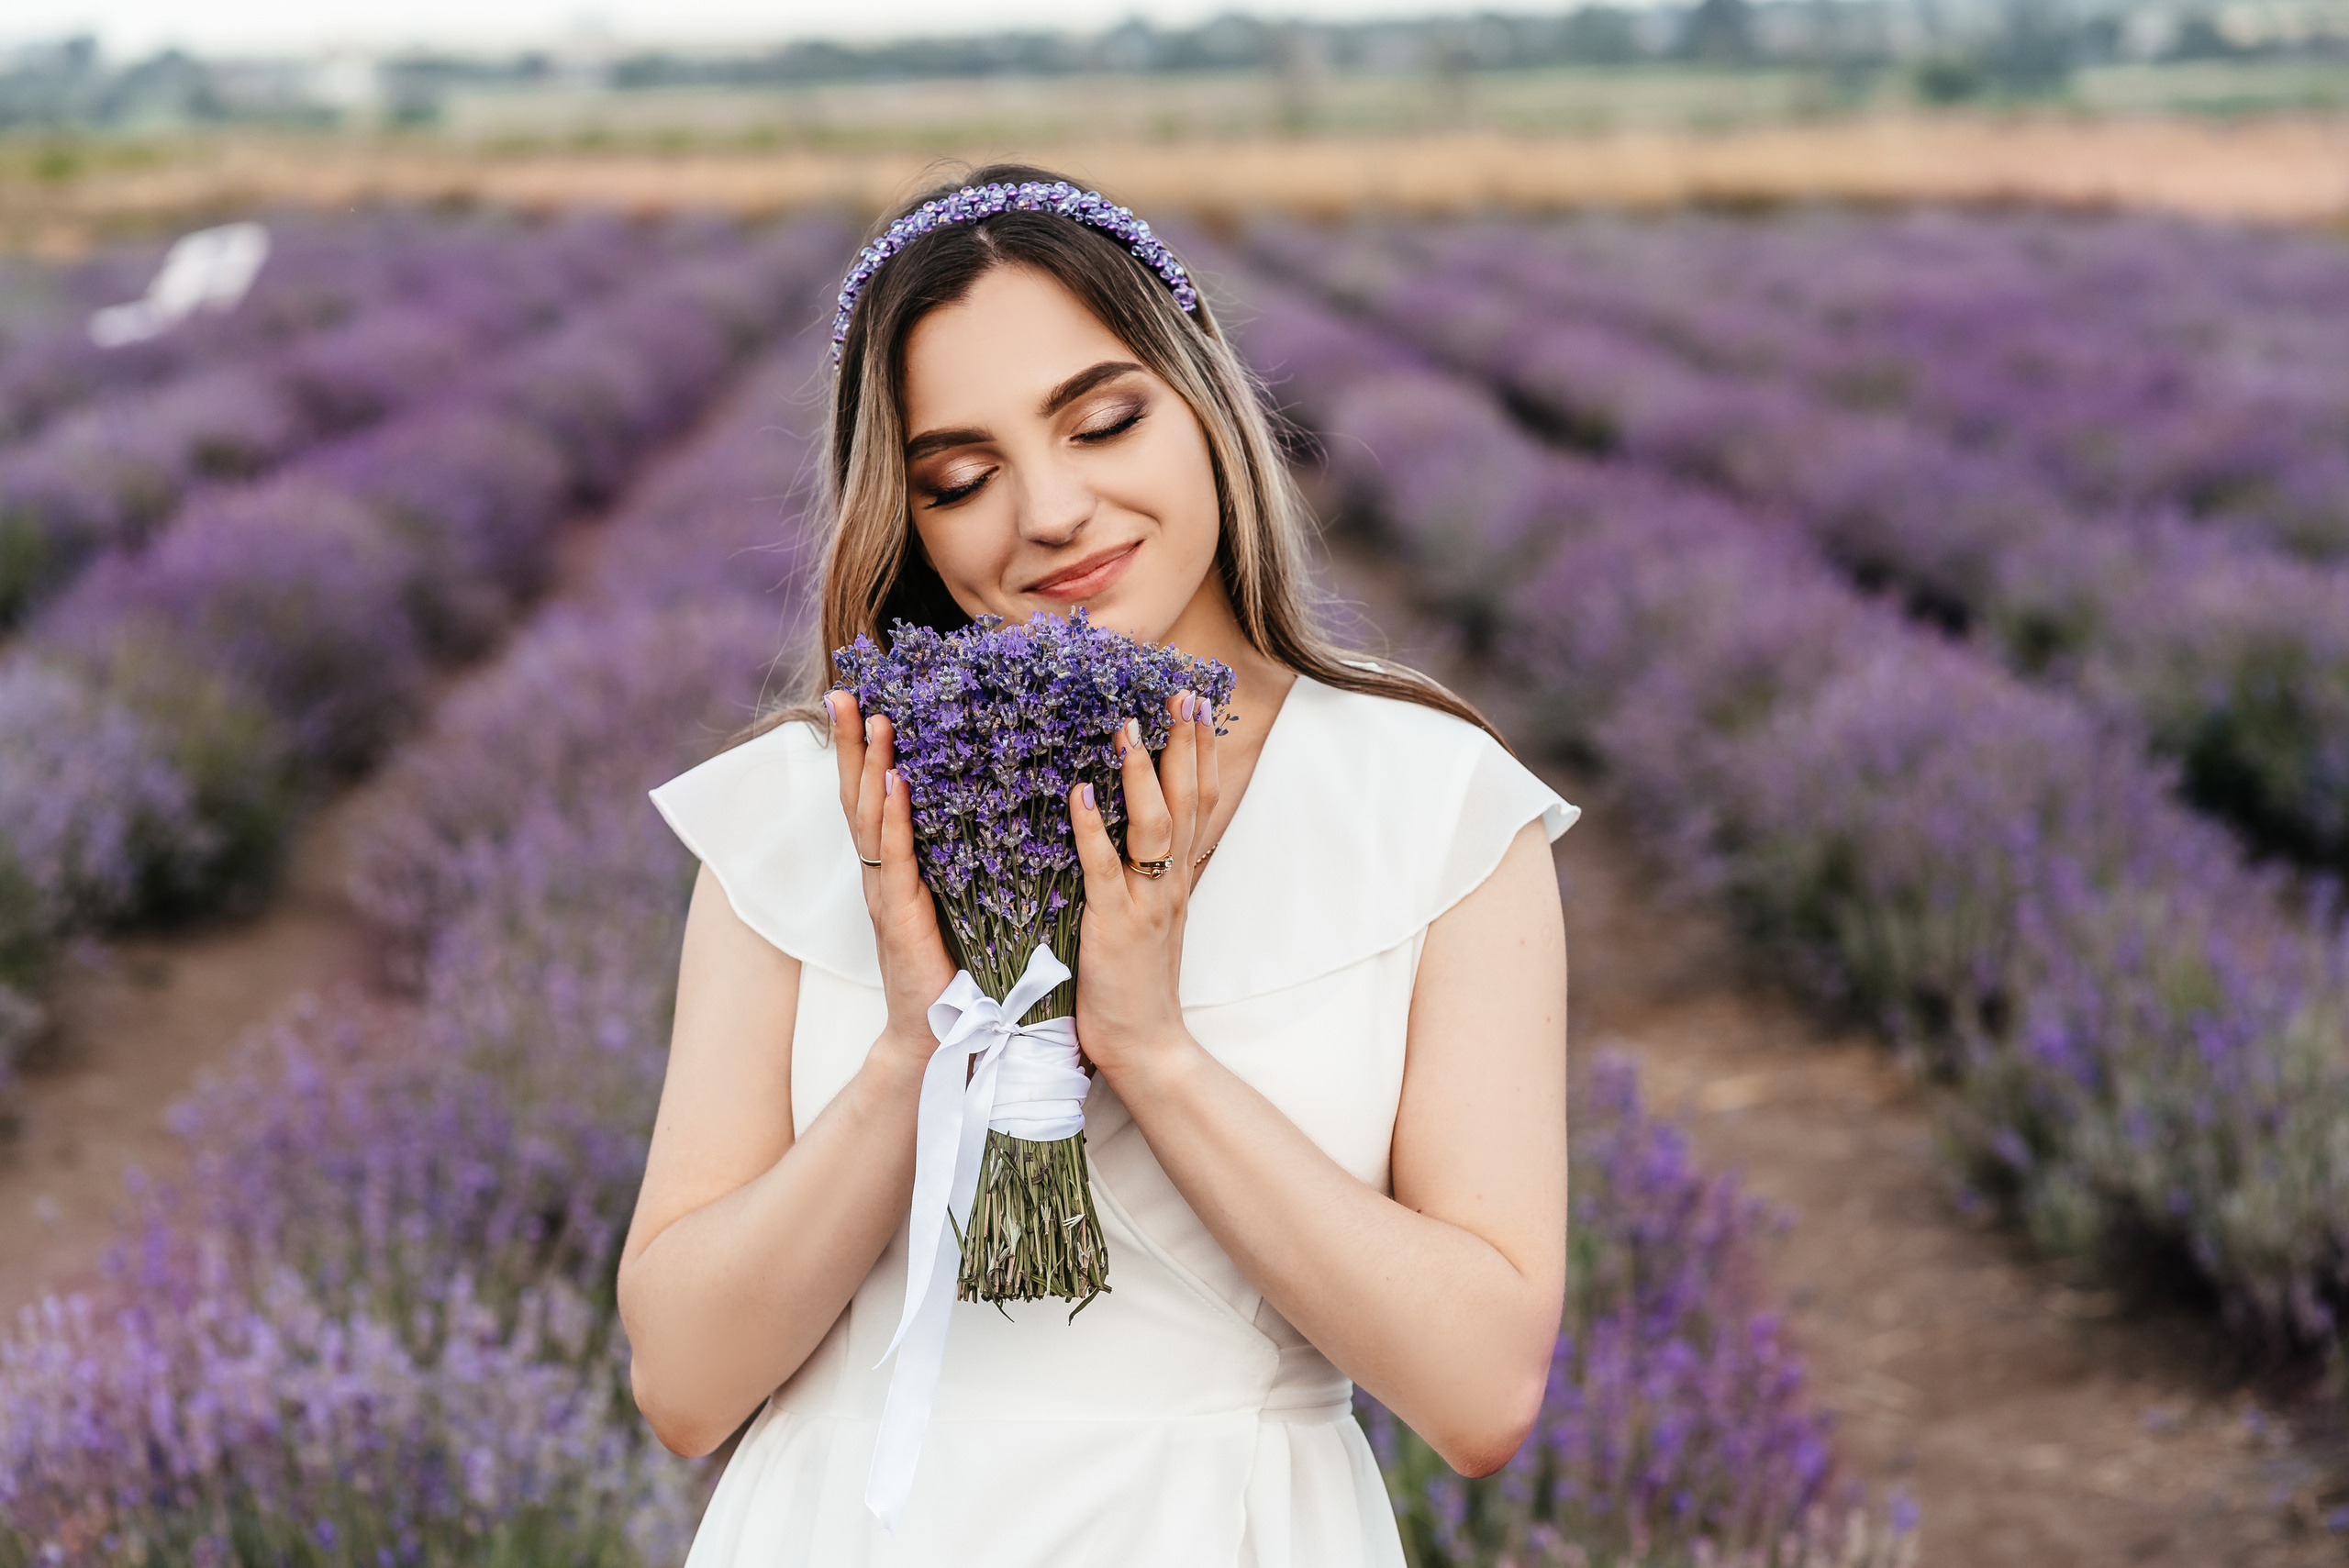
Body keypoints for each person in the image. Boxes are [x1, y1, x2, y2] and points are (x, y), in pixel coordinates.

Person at [616, 162, 1576, 1567]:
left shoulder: (1428, 802)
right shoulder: (807, 802)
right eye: (961, 476)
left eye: (1103, 420)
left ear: (1205, 404)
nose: (1050, 511)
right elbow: (685, 1386)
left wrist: (1154, 1051)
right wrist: (913, 1046)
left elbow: (1483, 1388)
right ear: (909, 515)